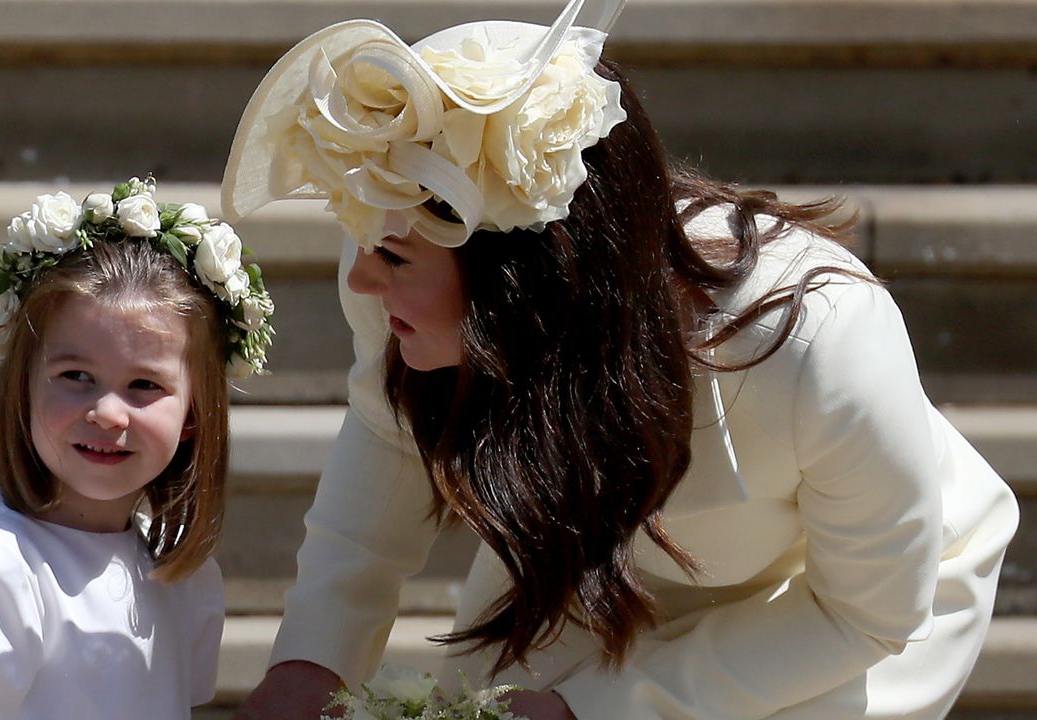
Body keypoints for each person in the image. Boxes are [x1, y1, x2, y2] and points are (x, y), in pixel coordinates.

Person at [219, 0, 1020, 718]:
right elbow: (387, 445)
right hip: (592, 555)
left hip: (834, 607)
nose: (360, 278)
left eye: (392, 258)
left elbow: (866, 615)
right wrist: (312, 661)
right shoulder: (392, 262)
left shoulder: (822, 340)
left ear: (525, 278)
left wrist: (593, 707)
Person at [0, 178, 275, 719]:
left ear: (194, 415)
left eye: (144, 386)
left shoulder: (177, 572)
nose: (106, 412)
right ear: (21, 388)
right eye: (76, 375)